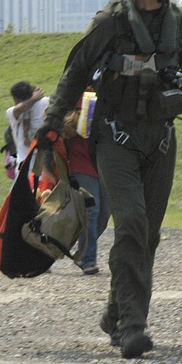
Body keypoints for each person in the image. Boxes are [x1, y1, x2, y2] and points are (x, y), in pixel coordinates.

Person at [34, 0, 182, 359]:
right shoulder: (111, 22)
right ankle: (132, 327)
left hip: (161, 139)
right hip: (115, 138)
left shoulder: (180, 26)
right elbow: (74, 74)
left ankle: (115, 311)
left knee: (148, 234)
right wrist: (50, 126)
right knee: (130, 224)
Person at [61, 102, 110, 275]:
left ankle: (79, 250)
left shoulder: (107, 93)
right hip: (81, 164)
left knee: (104, 214)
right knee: (92, 211)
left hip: (105, 164)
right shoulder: (75, 96)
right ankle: (88, 259)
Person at [6, 81, 48, 183]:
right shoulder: (45, 102)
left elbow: (19, 108)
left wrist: (33, 99)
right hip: (45, 166)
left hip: (27, 168)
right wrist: (34, 98)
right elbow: (19, 109)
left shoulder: (12, 112)